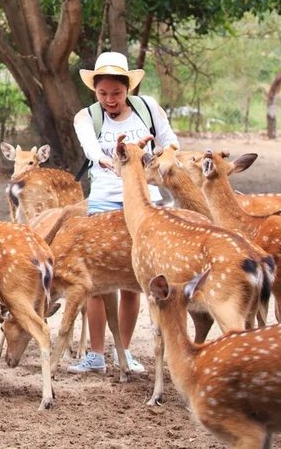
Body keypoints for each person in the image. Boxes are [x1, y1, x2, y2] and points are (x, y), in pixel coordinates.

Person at [68, 51, 178, 375]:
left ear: (128, 88)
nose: (110, 99)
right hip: (104, 201)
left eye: (116, 93)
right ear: (94, 91)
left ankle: (124, 351)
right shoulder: (87, 117)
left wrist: (153, 154)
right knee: (96, 281)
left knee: (134, 279)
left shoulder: (149, 110)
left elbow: (172, 143)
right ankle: (96, 354)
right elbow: (91, 151)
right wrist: (112, 159)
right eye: (103, 93)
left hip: (145, 204)